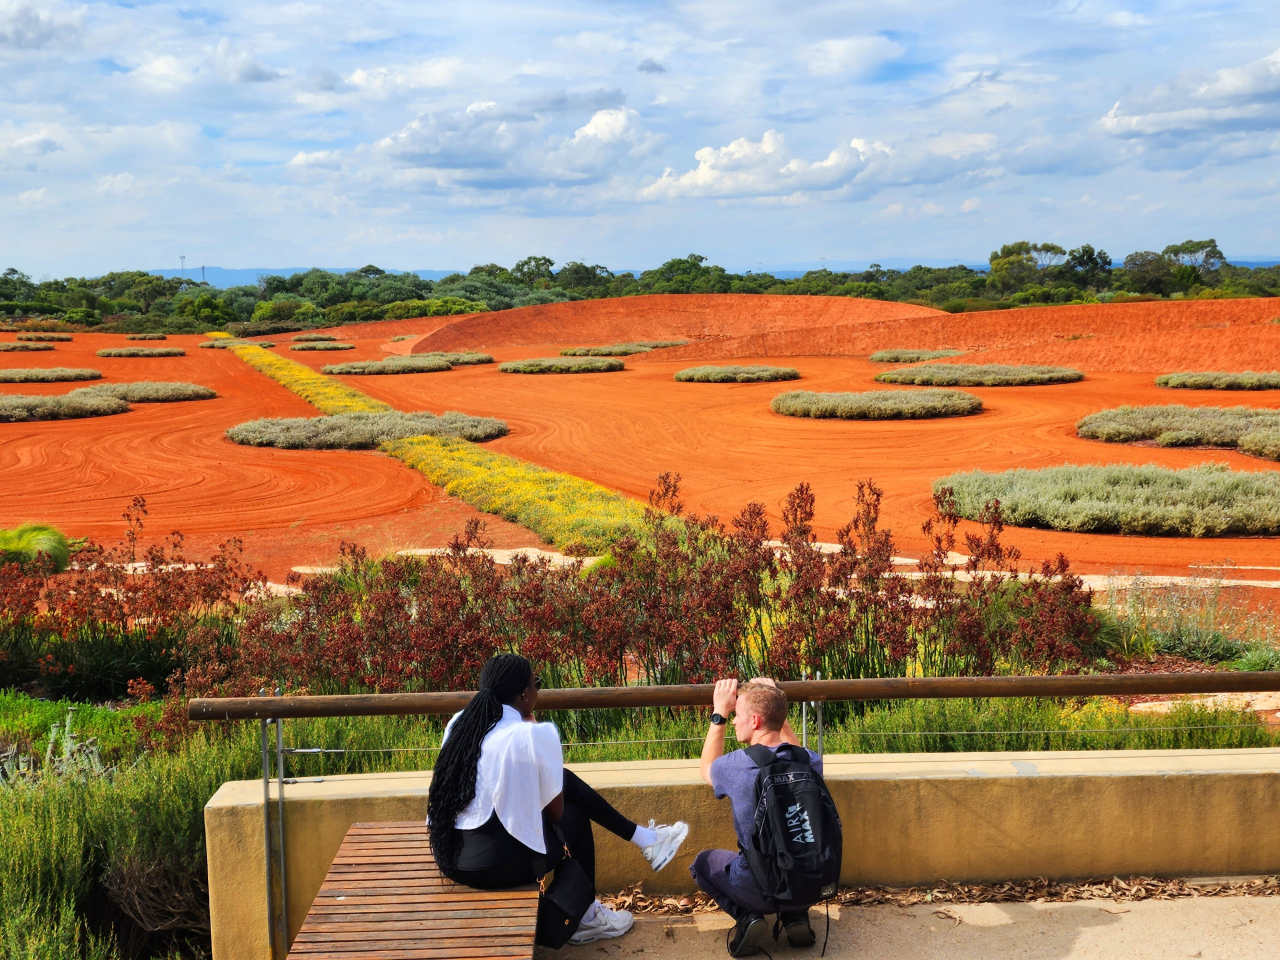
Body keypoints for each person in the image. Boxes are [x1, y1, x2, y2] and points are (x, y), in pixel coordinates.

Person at [427, 654, 690, 944]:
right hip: (495, 869)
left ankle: (646, 840)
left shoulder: (459, 724)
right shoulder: (530, 735)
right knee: (576, 815)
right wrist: (533, 741)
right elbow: (555, 814)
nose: (538, 691)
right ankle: (588, 916)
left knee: (563, 780)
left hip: (452, 859)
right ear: (525, 694)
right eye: (536, 684)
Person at [693, 678, 824, 957]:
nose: (735, 721)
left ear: (753, 720)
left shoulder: (736, 766)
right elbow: (794, 753)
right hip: (811, 883)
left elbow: (706, 768)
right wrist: (778, 706)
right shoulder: (811, 761)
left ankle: (747, 917)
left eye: (738, 715)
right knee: (794, 844)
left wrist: (719, 713)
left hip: (758, 888)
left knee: (701, 864)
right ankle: (796, 915)